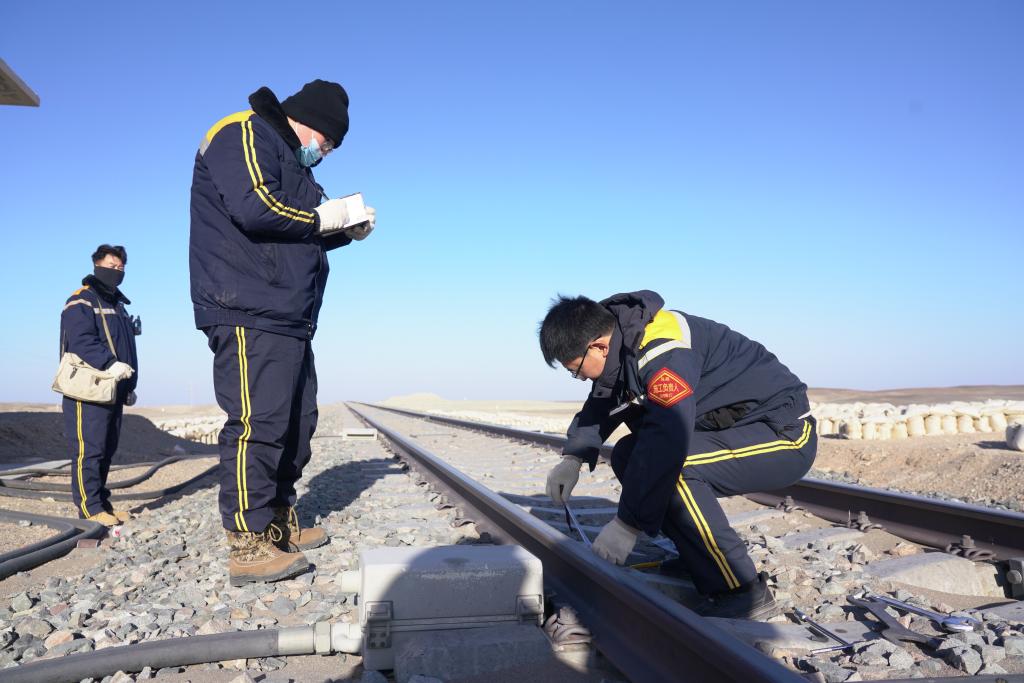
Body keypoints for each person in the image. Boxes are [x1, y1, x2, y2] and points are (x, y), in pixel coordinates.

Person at [189, 79, 375, 586]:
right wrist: (324, 218)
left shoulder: (294, 163)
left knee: (297, 423)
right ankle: (247, 542)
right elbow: (256, 208)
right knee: (258, 423)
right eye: (328, 142)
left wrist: (344, 229)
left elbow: (300, 231)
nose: (325, 153)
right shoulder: (243, 132)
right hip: (247, 305)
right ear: (308, 122)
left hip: (289, 314)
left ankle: (276, 521)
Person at [538, 291, 816, 619]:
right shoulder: (623, 345)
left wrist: (627, 523)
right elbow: (602, 404)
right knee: (628, 454)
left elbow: (667, 439)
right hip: (732, 428)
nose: (580, 377)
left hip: (784, 433)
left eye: (576, 369)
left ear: (599, 346)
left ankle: (742, 591)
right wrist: (573, 457)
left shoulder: (663, 349)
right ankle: (699, 560)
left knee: (677, 468)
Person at [60, 244, 140, 527]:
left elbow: (126, 348)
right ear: (96, 265)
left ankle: (103, 503)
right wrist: (110, 364)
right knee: (89, 450)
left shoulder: (118, 306)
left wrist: (129, 385)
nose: (116, 271)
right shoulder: (81, 300)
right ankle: (89, 508)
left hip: (114, 388)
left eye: (120, 267)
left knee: (106, 449)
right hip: (88, 389)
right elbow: (81, 341)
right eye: (111, 266)